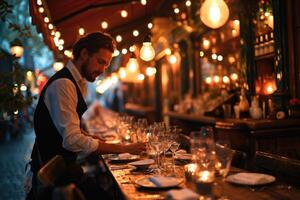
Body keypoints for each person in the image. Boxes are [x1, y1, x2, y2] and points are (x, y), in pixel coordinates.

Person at [27, 32, 146, 199]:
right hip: (59, 179)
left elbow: (67, 128)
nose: (102, 70)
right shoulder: (64, 84)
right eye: (100, 62)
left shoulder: (77, 82)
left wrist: (90, 136)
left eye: (106, 65)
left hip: (68, 170)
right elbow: (72, 140)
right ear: (84, 54)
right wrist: (123, 149)